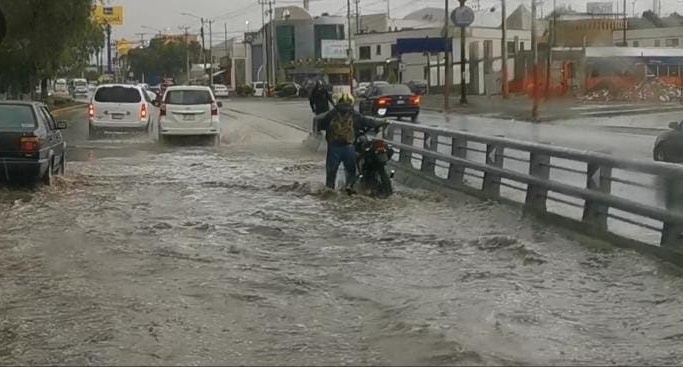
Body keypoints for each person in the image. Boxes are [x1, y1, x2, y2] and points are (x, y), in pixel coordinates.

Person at [316, 92, 389, 193]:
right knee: (351, 173)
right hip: (349, 148)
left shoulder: (332, 113)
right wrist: (382, 122)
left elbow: (321, 125)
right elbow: (368, 122)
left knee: (331, 177)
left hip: (333, 149)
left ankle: (329, 196)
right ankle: (349, 189)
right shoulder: (354, 114)